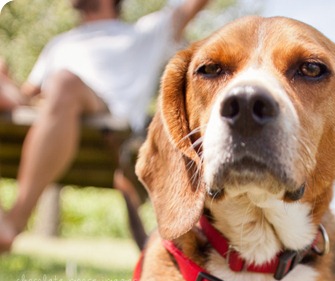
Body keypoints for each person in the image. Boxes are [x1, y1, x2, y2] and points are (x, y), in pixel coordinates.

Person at [0, 0, 210, 252]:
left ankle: (15, 220)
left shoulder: (144, 34)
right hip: (48, 123)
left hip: (108, 128)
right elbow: (28, 98)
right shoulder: (60, 43)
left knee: (64, 83)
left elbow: (193, 6)